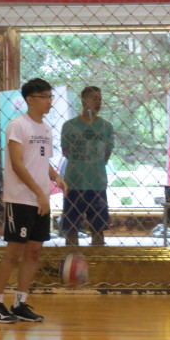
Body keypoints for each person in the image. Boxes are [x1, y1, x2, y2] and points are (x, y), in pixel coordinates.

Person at [0, 78, 67, 324]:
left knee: (34, 251)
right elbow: (17, 163)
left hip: (40, 199)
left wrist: (56, 177)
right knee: (14, 252)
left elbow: (42, 161)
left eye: (50, 96)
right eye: (44, 96)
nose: (49, 101)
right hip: (21, 198)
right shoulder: (17, 125)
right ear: (30, 99)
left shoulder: (46, 129)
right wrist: (39, 192)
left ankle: (19, 303)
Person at [60, 85, 113, 246]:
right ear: (84, 101)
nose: (98, 102)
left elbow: (107, 152)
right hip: (74, 183)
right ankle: (72, 258)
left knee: (98, 228)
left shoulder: (105, 126)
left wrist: (94, 163)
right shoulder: (69, 126)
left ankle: (97, 258)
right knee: (71, 228)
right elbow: (66, 151)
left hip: (97, 183)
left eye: (100, 99)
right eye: (94, 99)